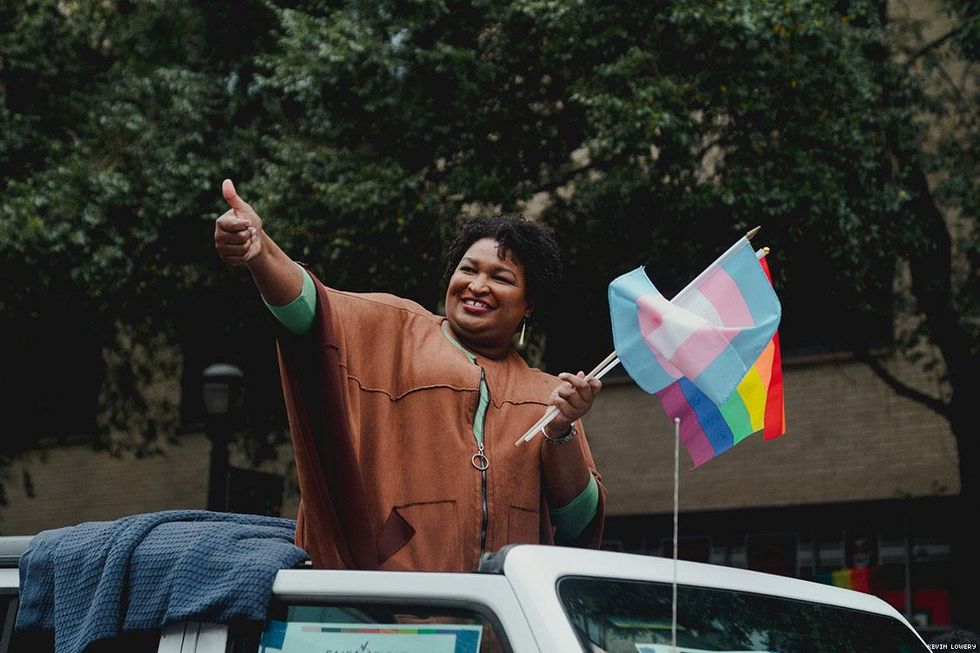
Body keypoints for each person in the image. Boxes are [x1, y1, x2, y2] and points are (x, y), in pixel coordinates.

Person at [214, 179, 606, 572]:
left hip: (497, 615)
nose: (477, 285)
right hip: (393, 605)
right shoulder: (393, 330)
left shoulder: (549, 396)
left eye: (501, 278)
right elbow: (311, 307)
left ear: (529, 304)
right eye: (467, 269)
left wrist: (560, 433)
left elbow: (576, 526)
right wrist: (260, 250)